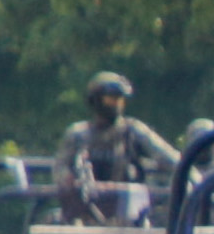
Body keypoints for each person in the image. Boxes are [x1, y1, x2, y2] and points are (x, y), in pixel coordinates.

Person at [55, 72, 181, 224]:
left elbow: (170, 158)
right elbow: (60, 169)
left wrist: (188, 175)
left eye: (119, 101)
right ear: (95, 101)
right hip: (85, 217)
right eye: (111, 100)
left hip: (129, 219)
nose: (116, 106)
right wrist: (69, 178)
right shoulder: (78, 135)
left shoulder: (133, 131)